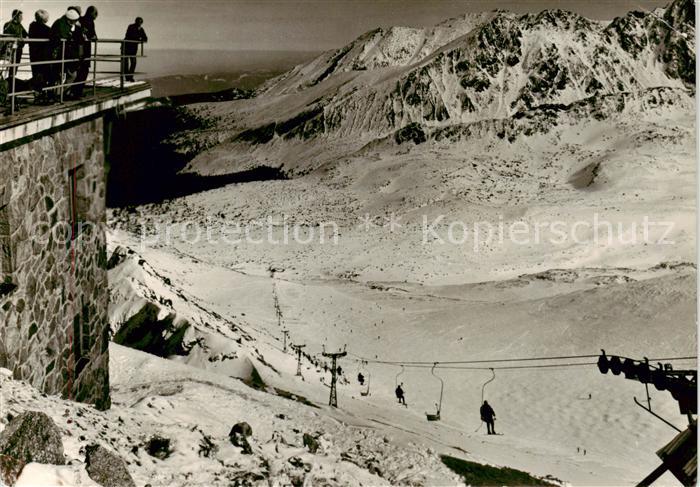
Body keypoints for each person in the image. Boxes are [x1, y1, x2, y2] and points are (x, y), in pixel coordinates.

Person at [49, 8, 81, 96]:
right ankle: (59, 94)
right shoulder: (60, 24)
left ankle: (60, 94)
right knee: (60, 75)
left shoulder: (62, 23)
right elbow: (61, 36)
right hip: (60, 54)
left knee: (64, 75)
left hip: (64, 54)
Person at [73, 6, 98, 98]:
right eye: (95, 14)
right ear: (91, 13)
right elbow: (93, 35)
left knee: (79, 70)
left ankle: (76, 91)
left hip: (79, 49)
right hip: (84, 49)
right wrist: (93, 37)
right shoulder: (89, 22)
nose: (96, 16)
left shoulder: (81, 20)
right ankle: (77, 91)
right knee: (84, 70)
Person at [28, 10, 52, 98]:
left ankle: (38, 94)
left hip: (34, 55)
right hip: (42, 56)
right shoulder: (46, 29)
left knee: (36, 75)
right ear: (44, 18)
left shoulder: (32, 26)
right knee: (44, 75)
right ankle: (42, 94)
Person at [3, 10, 28, 87]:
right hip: (11, 50)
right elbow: (6, 36)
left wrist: (23, 40)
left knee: (14, 68)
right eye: (20, 16)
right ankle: (8, 85)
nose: (22, 18)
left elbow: (26, 34)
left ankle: (11, 84)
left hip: (18, 49)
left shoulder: (19, 25)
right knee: (10, 68)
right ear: (16, 16)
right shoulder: (8, 24)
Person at [122, 17, 147, 82]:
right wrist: (139, 39)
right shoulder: (131, 26)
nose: (139, 23)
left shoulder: (141, 29)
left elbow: (145, 38)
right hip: (126, 47)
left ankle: (130, 77)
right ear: (136, 21)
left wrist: (140, 39)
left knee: (133, 62)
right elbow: (129, 35)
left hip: (132, 49)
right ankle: (127, 77)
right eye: (138, 22)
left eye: (140, 22)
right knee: (126, 63)